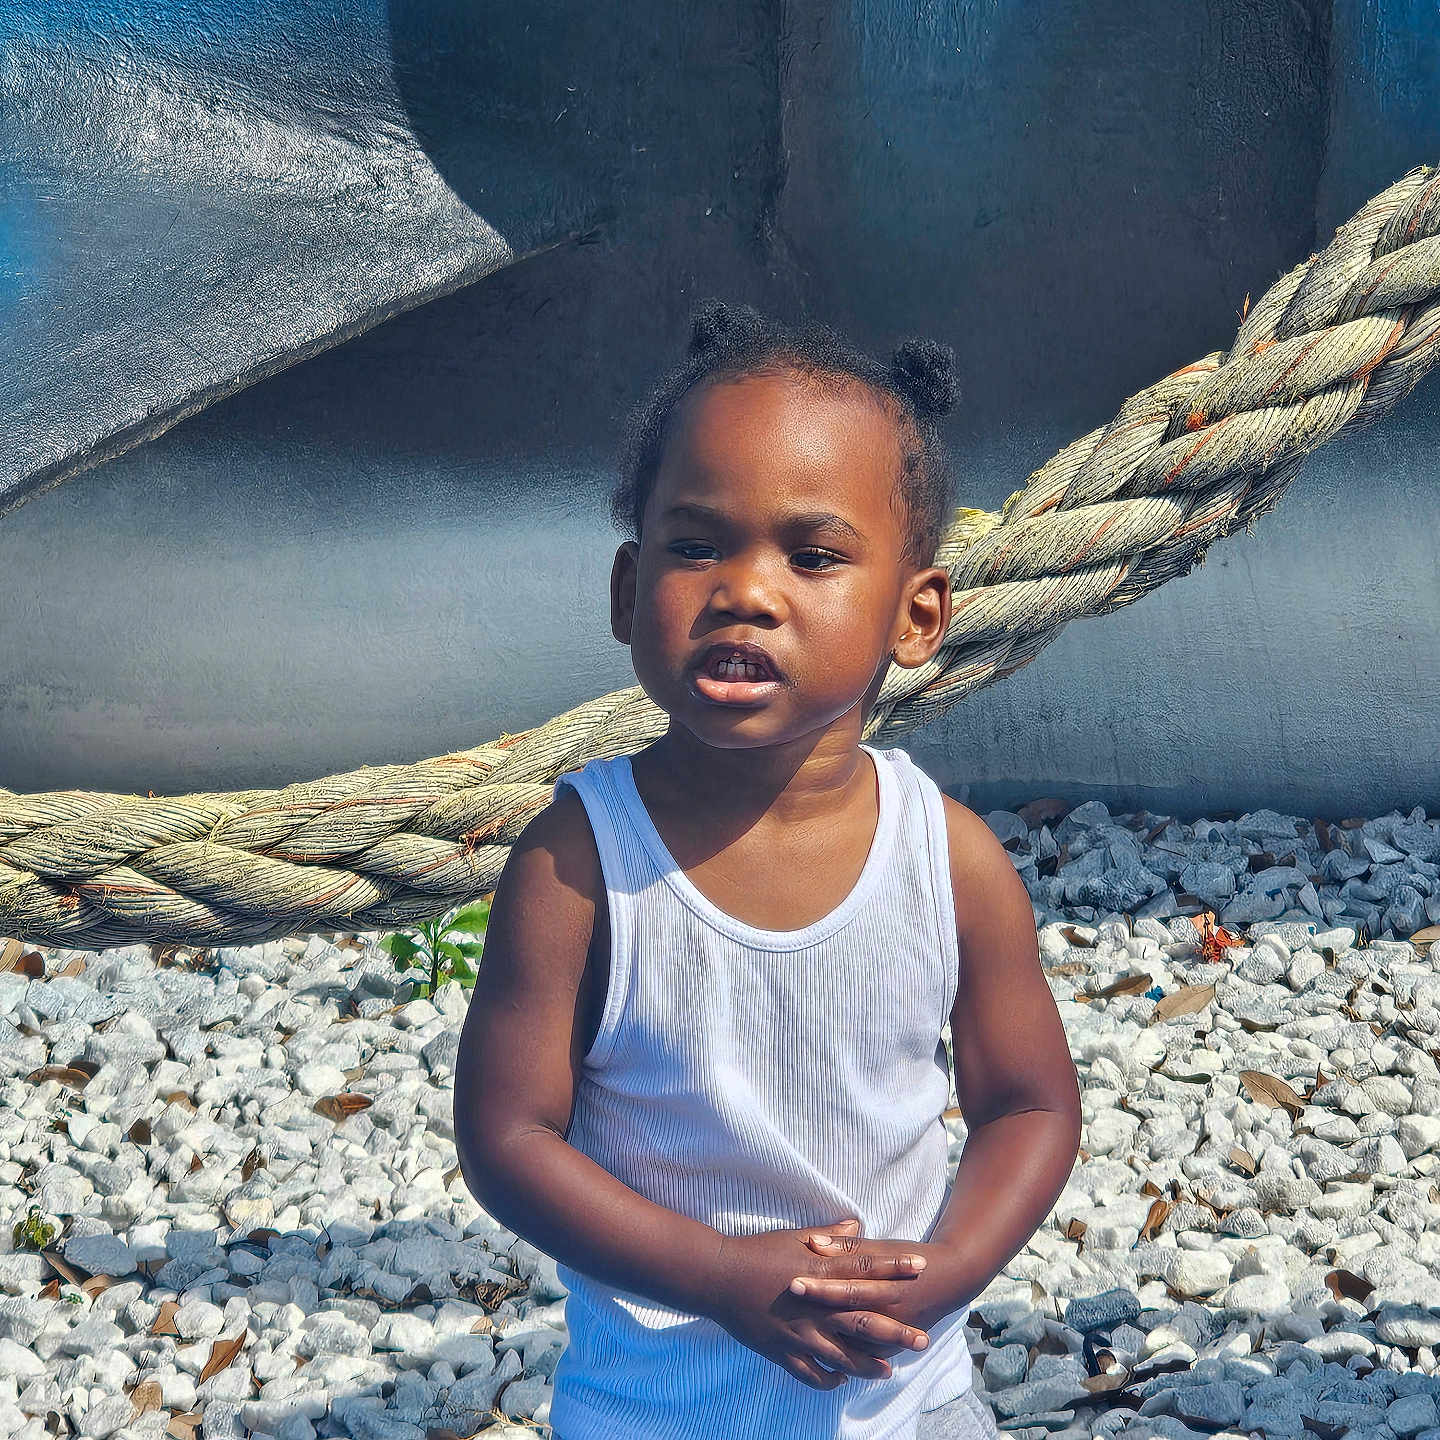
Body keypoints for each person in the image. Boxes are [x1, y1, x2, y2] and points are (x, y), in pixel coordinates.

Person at [453, 299, 1083, 1440]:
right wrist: (717, 1275)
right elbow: (507, 1140)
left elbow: (1028, 1102)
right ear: (625, 590)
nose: (746, 588)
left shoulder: (946, 859)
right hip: (656, 1411)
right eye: (696, 546)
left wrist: (947, 1267)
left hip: (903, 1400)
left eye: (813, 554)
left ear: (917, 612)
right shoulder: (578, 865)